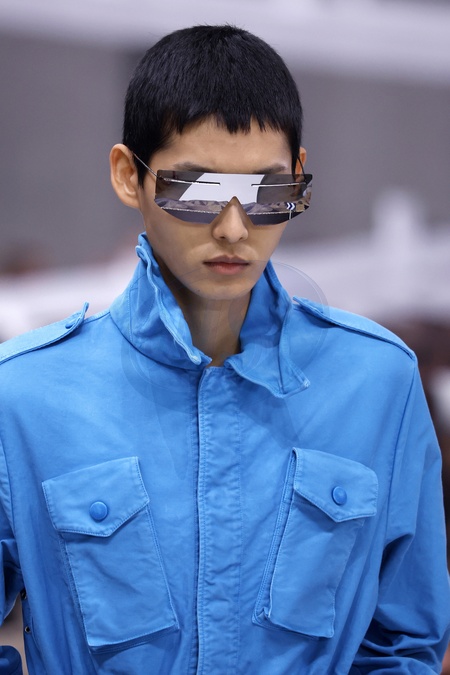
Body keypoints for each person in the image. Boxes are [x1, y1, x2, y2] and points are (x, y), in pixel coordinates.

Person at [0, 24, 449, 675]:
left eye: (267, 192)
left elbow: (403, 645)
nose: (234, 228)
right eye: (197, 190)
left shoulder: (378, 384)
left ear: (299, 176)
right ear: (128, 176)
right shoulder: (24, 398)